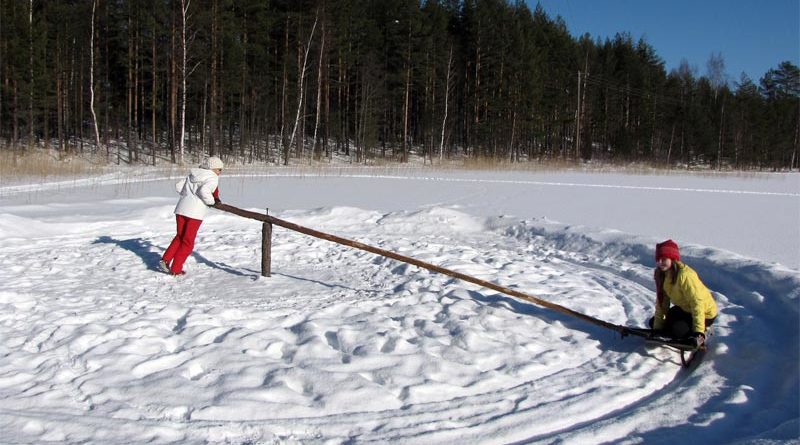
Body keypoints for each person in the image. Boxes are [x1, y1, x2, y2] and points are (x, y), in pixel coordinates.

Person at [160, 156, 223, 276]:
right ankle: (176, 269)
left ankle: (165, 259)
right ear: (213, 168)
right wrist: (211, 202)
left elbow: (178, 186)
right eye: (219, 169)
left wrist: (188, 195)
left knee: (179, 237)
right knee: (188, 243)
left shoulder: (194, 174)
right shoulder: (212, 177)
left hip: (181, 209)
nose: (220, 172)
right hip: (194, 213)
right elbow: (204, 191)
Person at [649, 239, 718, 348]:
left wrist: (698, 332)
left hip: (705, 313)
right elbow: (662, 302)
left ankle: (704, 330)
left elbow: (697, 303)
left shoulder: (685, 275)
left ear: (672, 258)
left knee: (678, 331)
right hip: (685, 309)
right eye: (658, 259)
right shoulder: (662, 275)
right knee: (654, 322)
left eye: (664, 259)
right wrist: (657, 329)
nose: (660, 262)